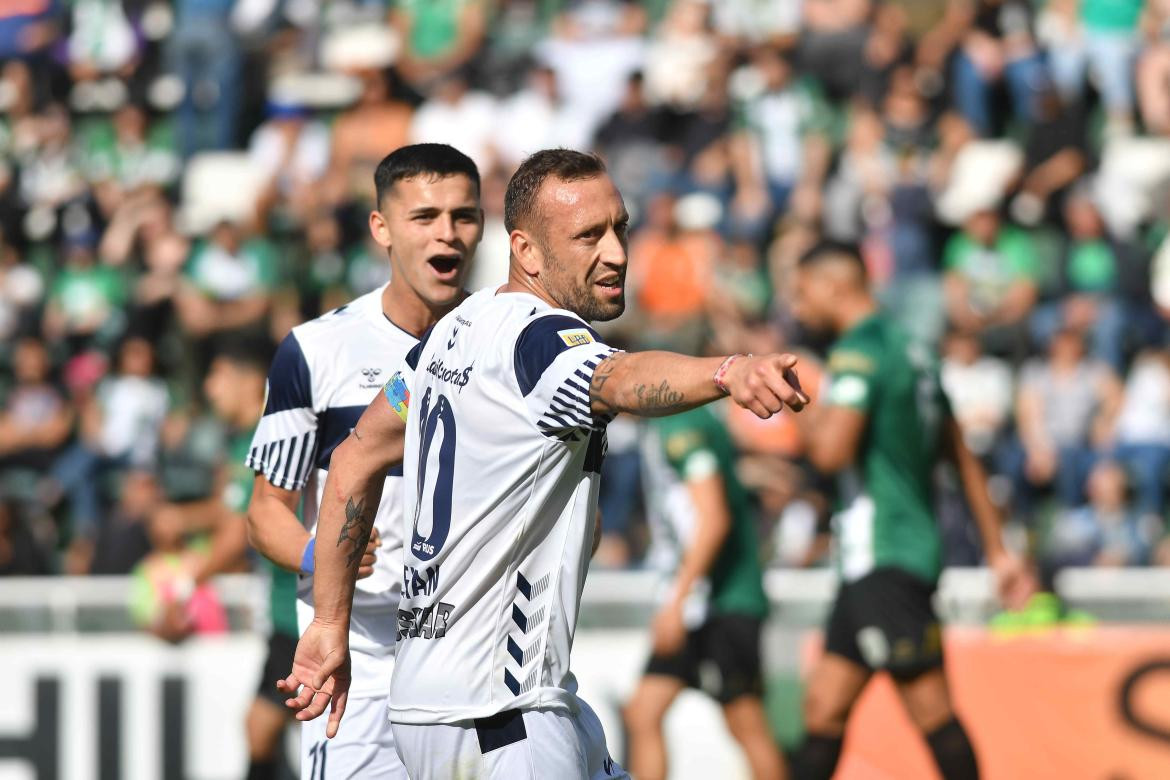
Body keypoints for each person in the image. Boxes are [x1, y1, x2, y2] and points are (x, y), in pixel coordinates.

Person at [278, 149, 808, 779]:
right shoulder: (541, 341)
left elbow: (354, 456)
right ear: (527, 252)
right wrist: (728, 371)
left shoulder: (450, 335)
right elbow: (618, 378)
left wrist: (329, 623)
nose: (615, 252)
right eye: (589, 236)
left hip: (442, 703)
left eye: (621, 228)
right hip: (503, 715)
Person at [245, 143, 484, 780]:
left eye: (464, 216)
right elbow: (265, 511)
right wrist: (317, 551)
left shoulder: (508, 345)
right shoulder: (315, 350)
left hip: (473, 650)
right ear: (381, 228)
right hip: (359, 655)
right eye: (425, 216)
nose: (448, 233)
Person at [787, 241, 1035, 780]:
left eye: (801, 291)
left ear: (835, 285)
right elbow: (963, 457)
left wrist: (793, 397)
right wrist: (997, 548)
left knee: (932, 712)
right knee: (823, 709)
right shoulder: (914, 350)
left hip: (888, 558)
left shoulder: (859, 352)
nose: (795, 305)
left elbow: (830, 453)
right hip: (876, 561)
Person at [625, 403, 787, 780]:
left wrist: (676, 600)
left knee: (745, 722)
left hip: (721, 600)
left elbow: (713, 519)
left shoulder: (680, 422)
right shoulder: (684, 420)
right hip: (706, 599)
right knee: (643, 712)